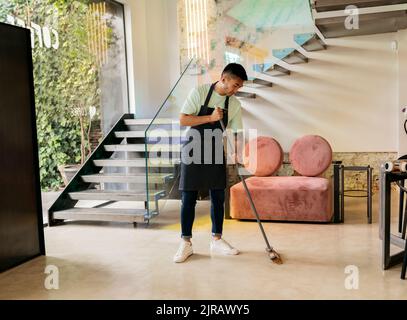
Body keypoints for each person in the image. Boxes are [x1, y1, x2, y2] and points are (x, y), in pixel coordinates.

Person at [173, 63, 248, 263]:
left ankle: (216, 238)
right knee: (188, 195)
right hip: (193, 146)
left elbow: (238, 133)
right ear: (224, 78)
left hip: (215, 147)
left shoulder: (234, 104)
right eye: (235, 85)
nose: (236, 90)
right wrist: (210, 117)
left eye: (239, 87)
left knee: (217, 194)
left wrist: (239, 152)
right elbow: (183, 120)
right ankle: (186, 243)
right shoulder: (200, 92)